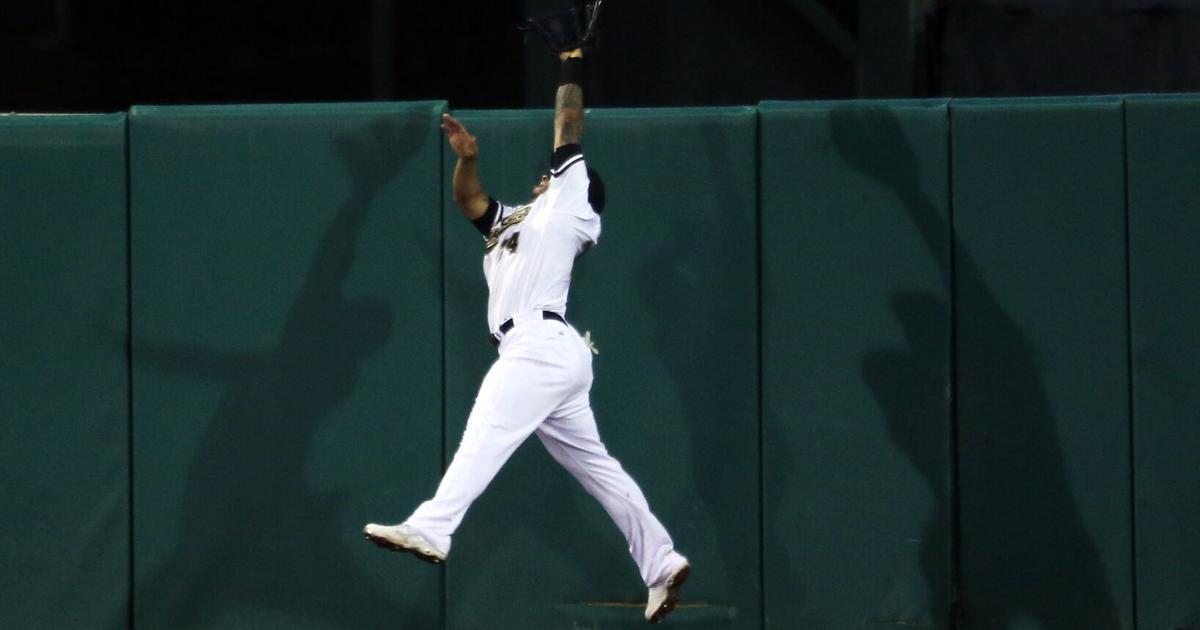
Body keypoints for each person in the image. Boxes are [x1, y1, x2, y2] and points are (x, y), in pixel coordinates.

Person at [364, 48, 690, 624]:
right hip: (549, 352)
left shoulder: (572, 206)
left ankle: (432, 529)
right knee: (600, 470)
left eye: (562, 174)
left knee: (487, 427)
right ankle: (661, 563)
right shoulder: (521, 219)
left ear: (580, 189)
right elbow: (470, 201)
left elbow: (567, 123)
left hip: (538, 345)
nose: (551, 176)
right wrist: (468, 158)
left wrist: (571, 62)